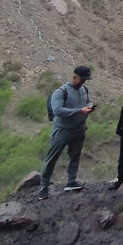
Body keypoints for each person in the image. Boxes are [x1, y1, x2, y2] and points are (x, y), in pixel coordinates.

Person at [39, 64, 95, 200]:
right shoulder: (61, 92)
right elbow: (57, 110)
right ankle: (44, 188)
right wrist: (79, 111)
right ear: (74, 77)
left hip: (79, 129)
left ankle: (71, 181)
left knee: (75, 157)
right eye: (82, 79)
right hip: (62, 130)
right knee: (52, 158)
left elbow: (87, 102)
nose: (83, 82)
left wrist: (89, 107)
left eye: (85, 80)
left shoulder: (84, 90)